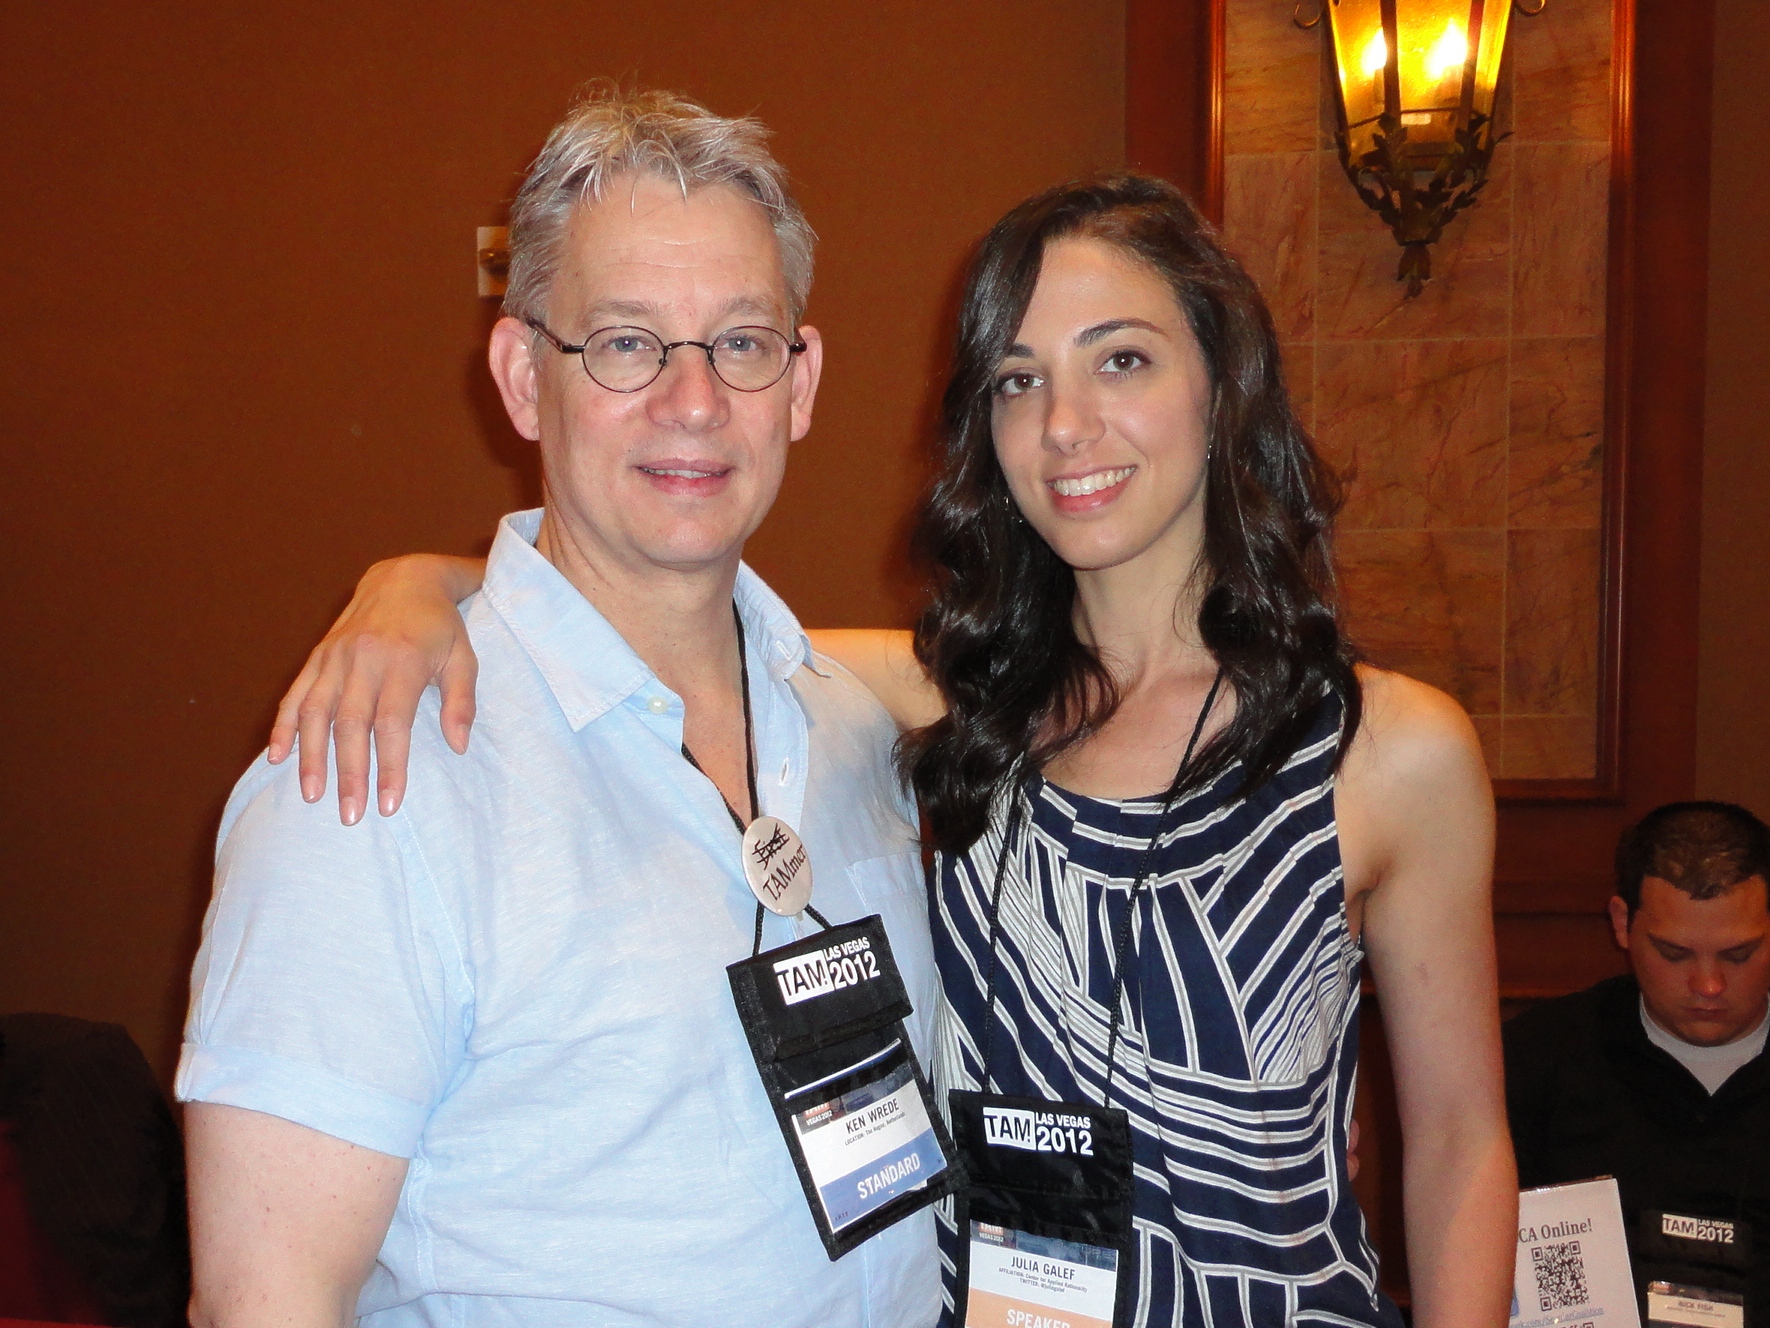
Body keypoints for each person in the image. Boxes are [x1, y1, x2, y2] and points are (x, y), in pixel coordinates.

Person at [279, 175, 1517, 1324]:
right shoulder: (951, 700)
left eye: (1121, 359)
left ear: (1222, 380)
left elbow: (1461, 1140)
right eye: (1019, 380)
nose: (1066, 425)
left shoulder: (1384, 751)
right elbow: (647, 616)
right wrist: (419, 584)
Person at [178, 85, 944, 1327]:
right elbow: (264, 1299)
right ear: (524, 377)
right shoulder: (373, 782)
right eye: (628, 343)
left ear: (800, 384)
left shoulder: (853, 734)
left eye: (742, 342)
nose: (694, 401)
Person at [1505, 801, 1770, 1311]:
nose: (1709, 986)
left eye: (1739, 955)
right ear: (1622, 923)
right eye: (1674, 954)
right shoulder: (1537, 1059)